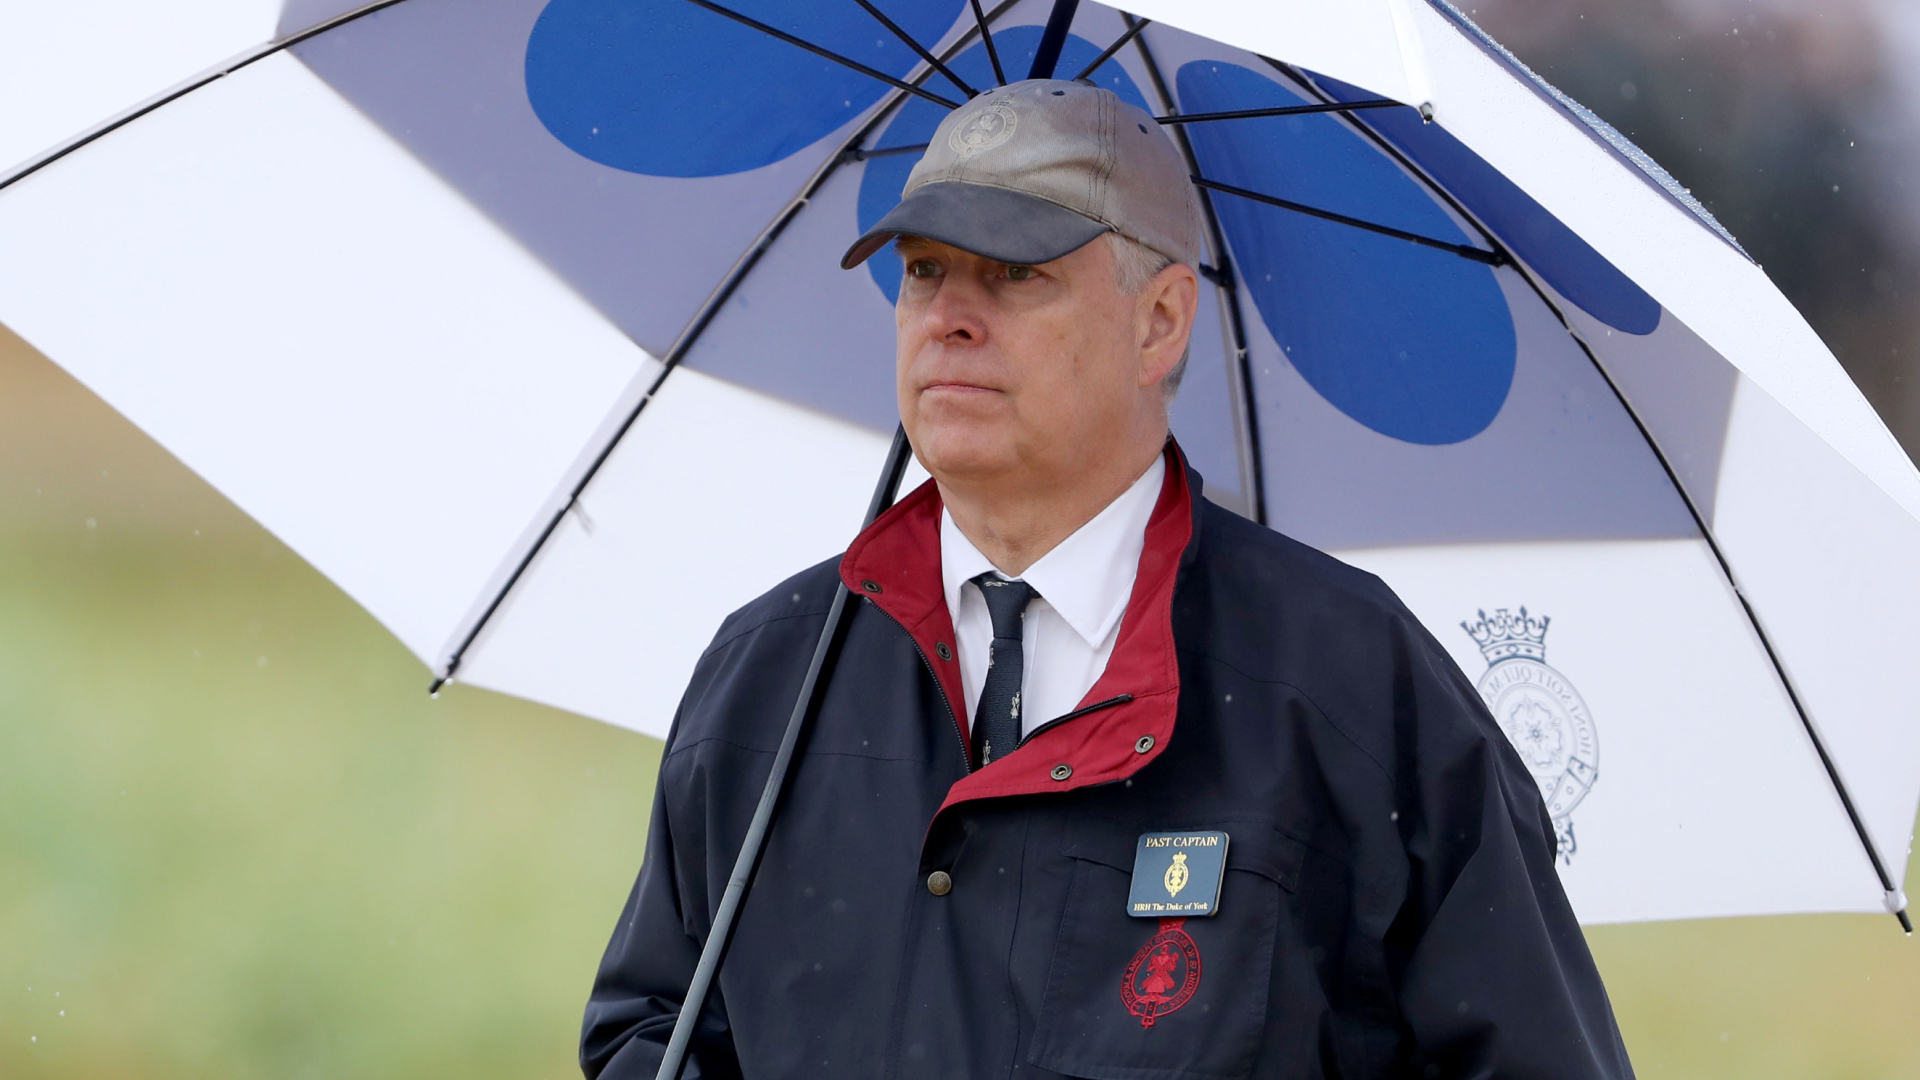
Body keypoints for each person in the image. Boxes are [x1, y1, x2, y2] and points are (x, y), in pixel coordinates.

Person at [582, 78, 1633, 1080]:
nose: (948, 315)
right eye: (923, 270)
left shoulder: (1354, 684)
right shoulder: (772, 669)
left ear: (1161, 321)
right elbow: (654, 1028)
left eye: (1015, 273)